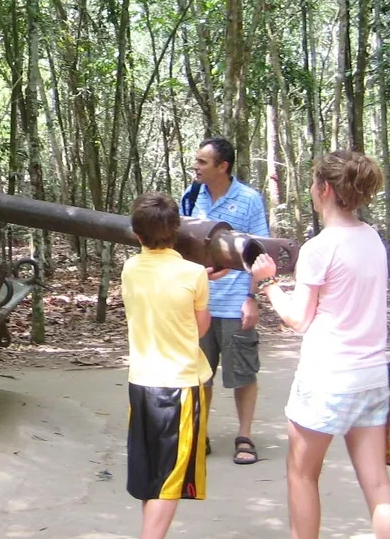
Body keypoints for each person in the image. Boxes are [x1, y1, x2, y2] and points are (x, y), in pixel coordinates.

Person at [249, 151, 390, 539]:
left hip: (327, 377)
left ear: (326, 189)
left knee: (301, 475)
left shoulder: (320, 247)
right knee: (378, 486)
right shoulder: (373, 239)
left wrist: (268, 282)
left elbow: (298, 319)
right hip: (370, 376)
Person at [122, 191, 212, 539]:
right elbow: (201, 328)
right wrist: (202, 282)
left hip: (141, 384)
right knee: (170, 482)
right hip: (180, 387)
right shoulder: (194, 275)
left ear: (137, 234)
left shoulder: (129, 268)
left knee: (151, 478)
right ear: (176, 229)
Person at [181, 137, 269, 464]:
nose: (196, 166)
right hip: (198, 303)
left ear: (223, 166)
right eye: (196, 160)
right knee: (199, 373)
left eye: (203, 162)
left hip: (235, 302)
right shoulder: (190, 198)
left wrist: (251, 298)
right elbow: (180, 247)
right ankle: (198, 434)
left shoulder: (249, 200)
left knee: (242, 374)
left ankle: (244, 437)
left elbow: (259, 252)